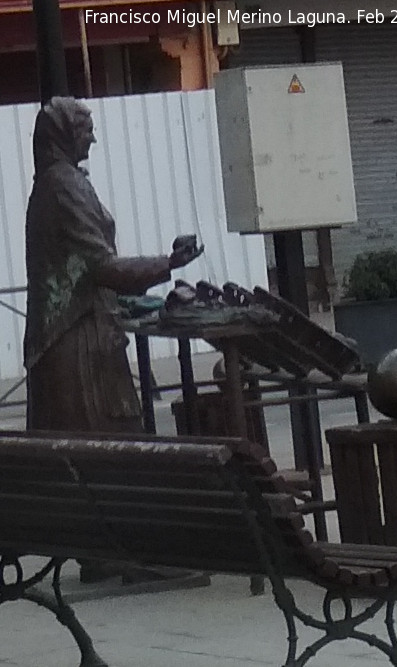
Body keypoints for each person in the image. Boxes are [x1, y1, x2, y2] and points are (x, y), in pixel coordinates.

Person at [24, 96, 204, 581]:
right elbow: (101, 267)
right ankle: (127, 553)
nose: (94, 137)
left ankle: (103, 551)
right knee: (113, 445)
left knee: (96, 449)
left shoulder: (58, 183)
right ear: (62, 133)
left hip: (76, 331)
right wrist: (169, 265)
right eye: (85, 127)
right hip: (77, 342)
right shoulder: (63, 187)